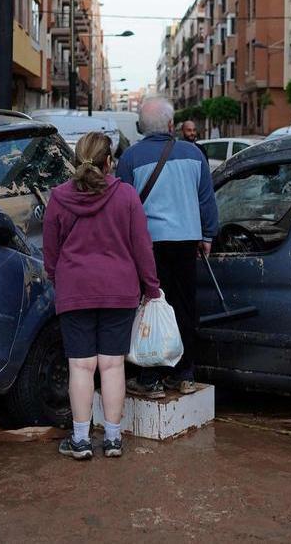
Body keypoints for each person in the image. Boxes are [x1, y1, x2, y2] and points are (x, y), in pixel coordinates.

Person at [43, 132, 162, 460]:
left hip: (75, 289)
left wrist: (58, 277)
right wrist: (151, 288)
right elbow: (142, 247)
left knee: (80, 366)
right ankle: (112, 439)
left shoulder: (58, 198)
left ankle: (80, 441)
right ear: (109, 162)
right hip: (118, 290)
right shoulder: (126, 196)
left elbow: (50, 251)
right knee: (112, 366)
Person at [116, 97, 218, 398]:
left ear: (140, 128)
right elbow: (206, 199)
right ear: (172, 125)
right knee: (185, 307)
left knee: (151, 306)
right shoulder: (193, 154)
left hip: (148, 245)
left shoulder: (131, 158)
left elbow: (122, 205)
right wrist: (208, 235)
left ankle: (151, 378)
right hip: (187, 241)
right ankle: (184, 374)